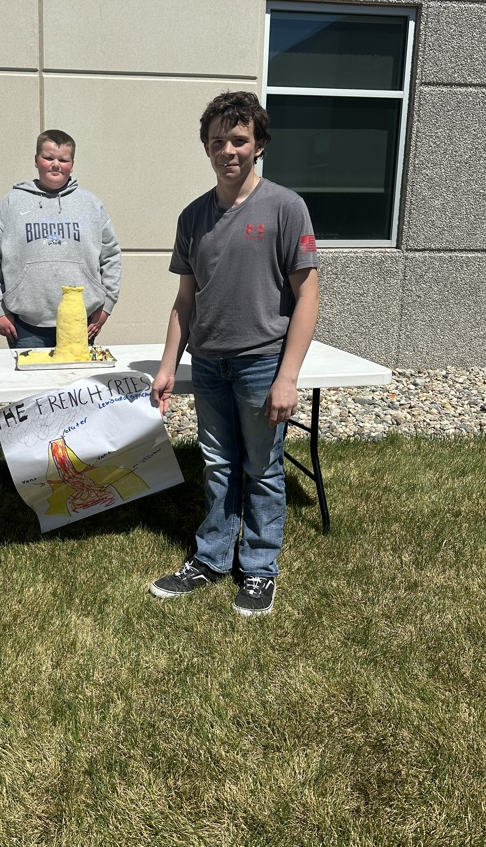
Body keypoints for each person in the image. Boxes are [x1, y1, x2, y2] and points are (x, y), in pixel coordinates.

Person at [150, 92, 319, 617]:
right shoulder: (193, 217)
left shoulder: (286, 208)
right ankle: (212, 557)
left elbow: (308, 294)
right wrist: (166, 367)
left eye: (239, 139)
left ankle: (260, 568)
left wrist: (287, 376)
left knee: (262, 467)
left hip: (262, 363)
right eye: (218, 140)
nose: (229, 149)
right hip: (208, 363)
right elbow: (185, 301)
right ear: (206, 147)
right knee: (219, 464)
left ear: (259, 145)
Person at [0, 129, 121, 349]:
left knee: (74, 382)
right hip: (25, 325)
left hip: (80, 322)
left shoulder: (91, 205)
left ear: (72, 164)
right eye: (48, 157)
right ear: (36, 160)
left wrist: (107, 305)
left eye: (63, 159)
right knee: (33, 384)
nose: (56, 164)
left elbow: (111, 256)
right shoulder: (12, 203)